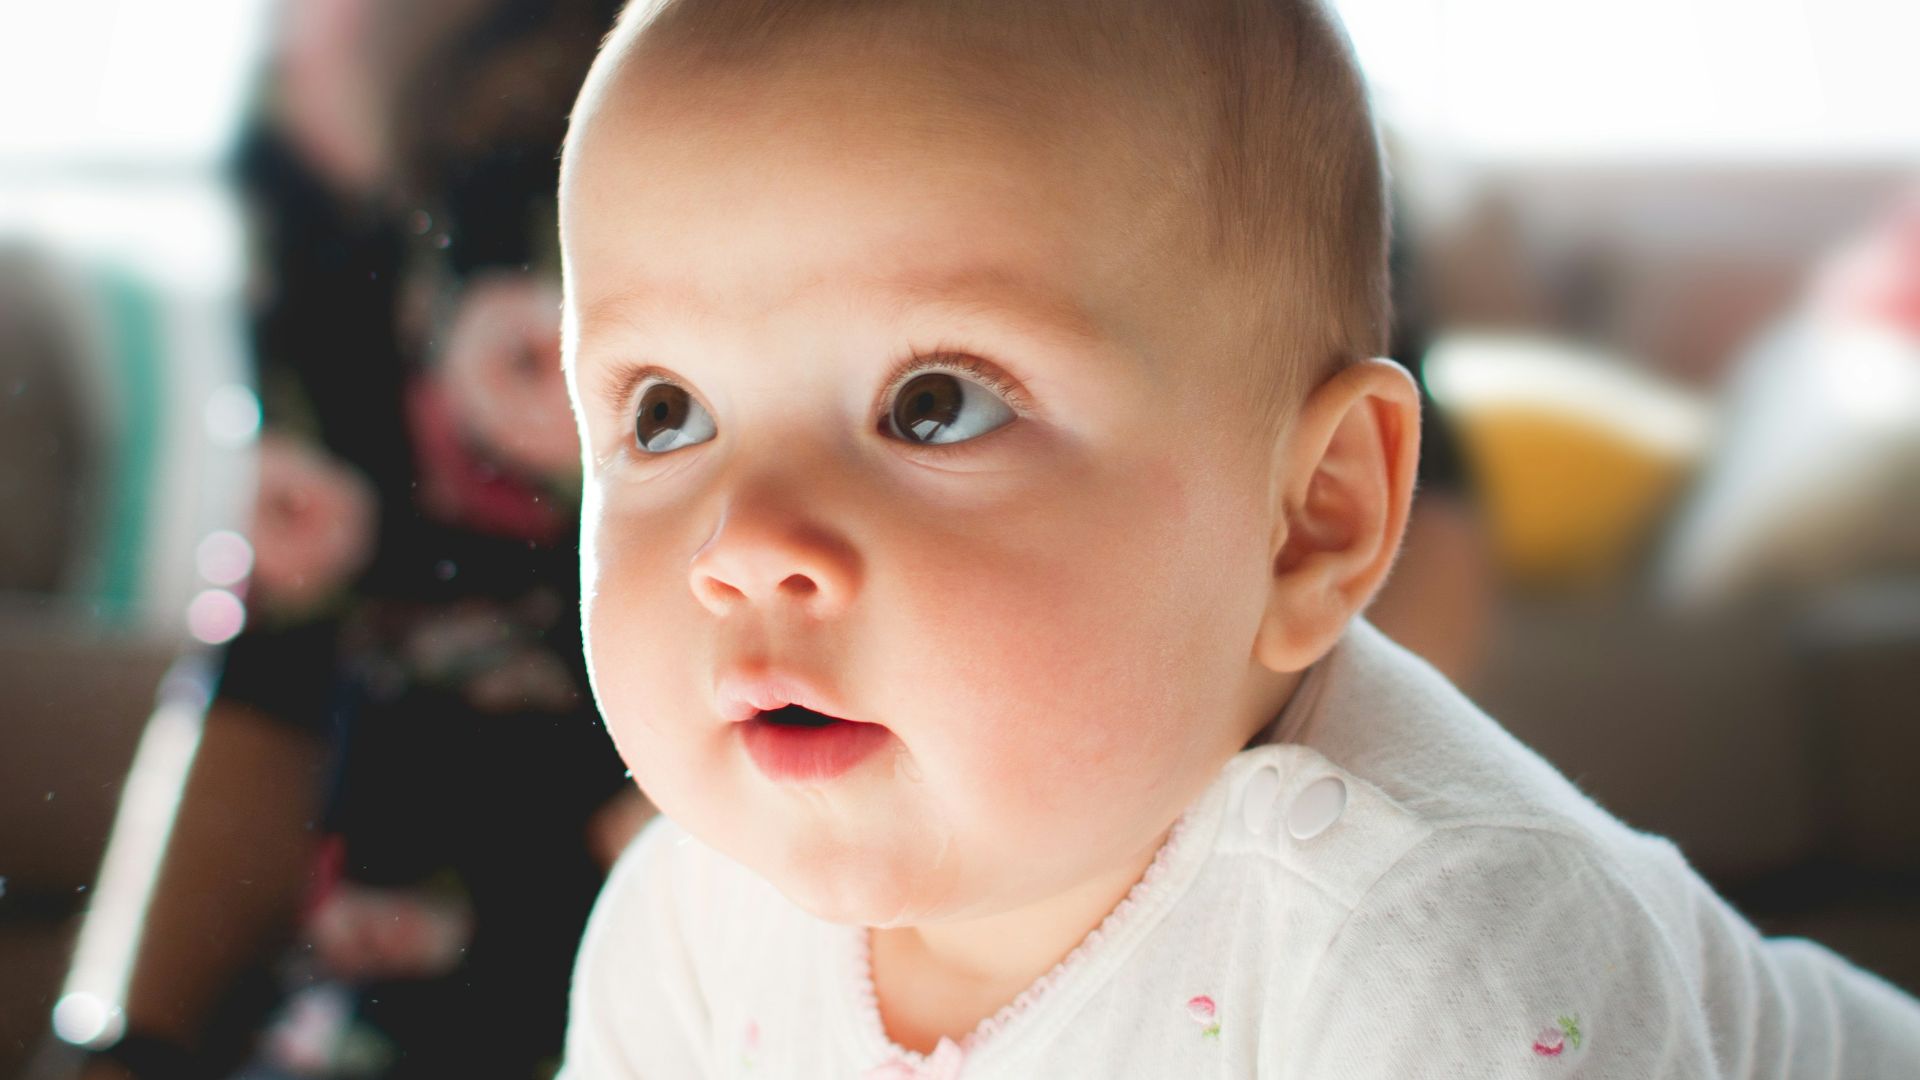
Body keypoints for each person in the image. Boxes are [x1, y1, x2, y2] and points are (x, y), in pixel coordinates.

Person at [552, 1, 1920, 1075]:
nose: (745, 542)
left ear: (1310, 521)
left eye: (935, 404)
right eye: (667, 414)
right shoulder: (687, 924)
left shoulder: (1429, 949)